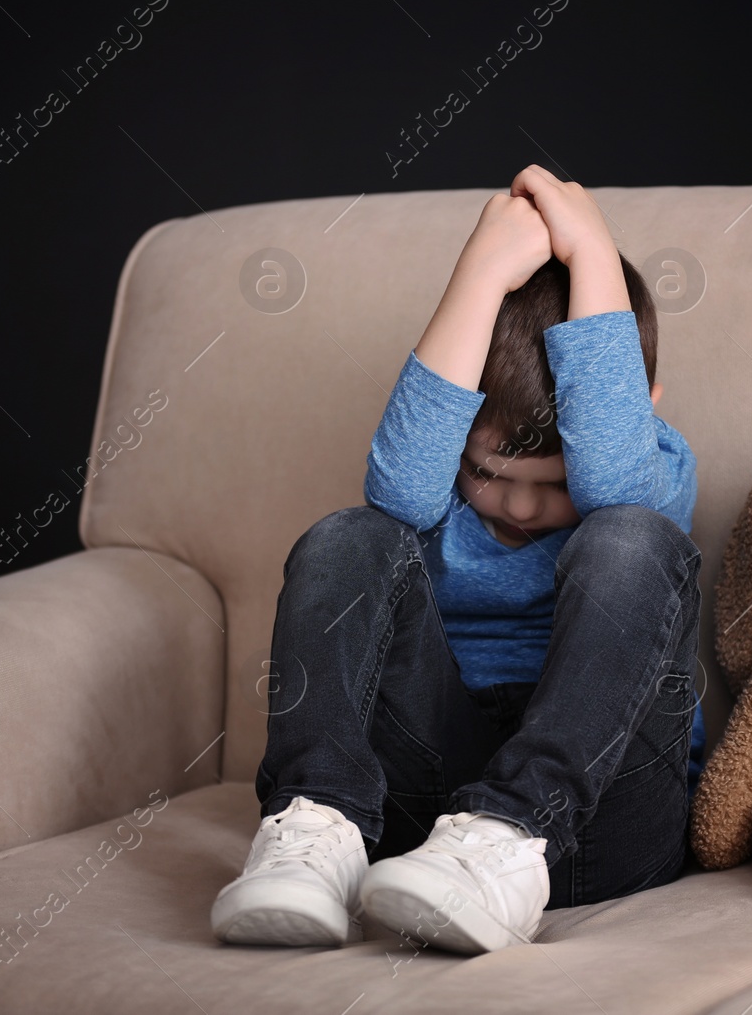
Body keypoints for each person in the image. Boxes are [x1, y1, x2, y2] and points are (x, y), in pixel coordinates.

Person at [211, 165, 703, 955]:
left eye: (550, 485)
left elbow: (613, 485)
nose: (513, 505)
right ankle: (316, 828)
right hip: (426, 836)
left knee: (631, 537)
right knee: (351, 534)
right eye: (486, 473)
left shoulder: (649, 469)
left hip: (599, 824)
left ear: (637, 411)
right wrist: (480, 268)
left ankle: (511, 832)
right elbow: (396, 490)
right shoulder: (435, 486)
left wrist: (594, 255)